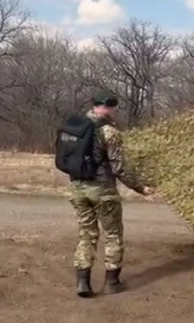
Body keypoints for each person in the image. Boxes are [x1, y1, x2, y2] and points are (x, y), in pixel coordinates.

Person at [67, 90, 154, 298]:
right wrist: (141, 188)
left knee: (86, 235)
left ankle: (83, 282)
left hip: (78, 190)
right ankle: (112, 282)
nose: (115, 112)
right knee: (113, 234)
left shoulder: (76, 127)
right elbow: (119, 168)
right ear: (109, 107)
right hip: (103, 192)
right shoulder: (109, 132)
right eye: (114, 108)